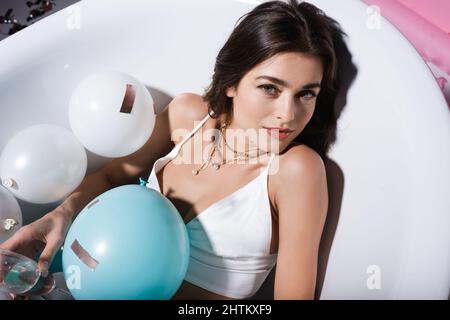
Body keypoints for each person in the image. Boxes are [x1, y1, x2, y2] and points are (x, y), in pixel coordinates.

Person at [0, 0, 346, 299]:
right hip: (64, 280)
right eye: (270, 88)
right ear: (230, 83)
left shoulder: (296, 170)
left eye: (306, 94)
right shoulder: (188, 114)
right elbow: (111, 178)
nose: (288, 114)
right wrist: (58, 215)